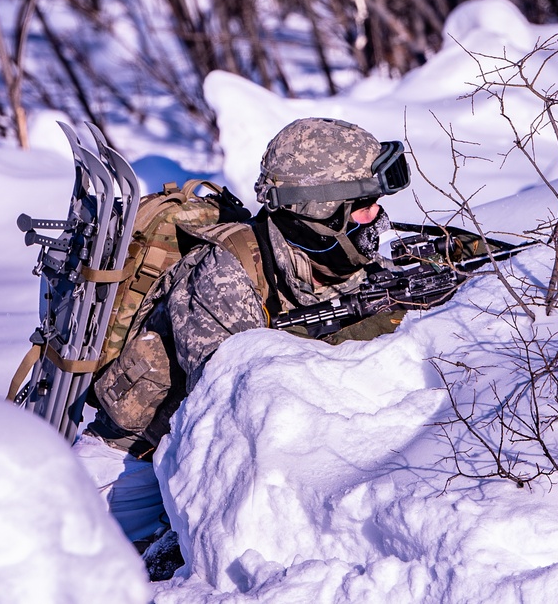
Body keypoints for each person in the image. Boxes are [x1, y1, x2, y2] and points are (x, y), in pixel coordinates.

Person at [71, 117, 412, 549]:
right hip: (134, 464)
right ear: (316, 209)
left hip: (223, 454)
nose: (376, 215)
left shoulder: (344, 262)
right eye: (362, 202)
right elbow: (231, 417)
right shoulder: (224, 273)